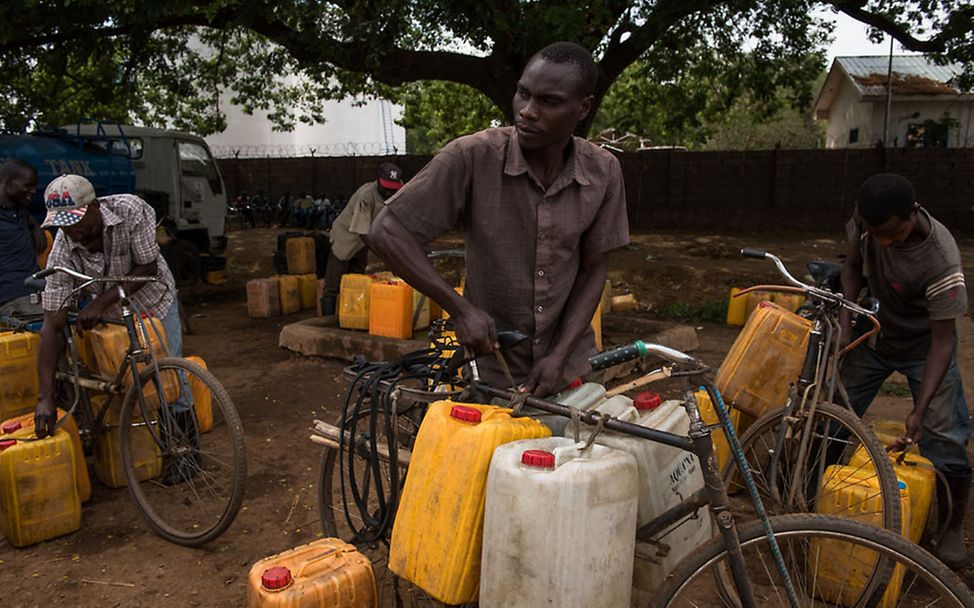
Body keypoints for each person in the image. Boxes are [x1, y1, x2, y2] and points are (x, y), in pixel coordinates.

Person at [368, 42, 628, 399]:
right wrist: (459, 308)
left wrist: (559, 356)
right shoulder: (473, 157)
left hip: (569, 369)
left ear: (583, 108)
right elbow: (386, 231)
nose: (527, 111)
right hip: (492, 370)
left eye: (548, 102)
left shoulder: (604, 172)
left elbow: (593, 268)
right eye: (523, 94)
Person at [839, 173, 971, 569]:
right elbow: (851, 266)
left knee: (944, 434)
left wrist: (920, 409)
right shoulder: (866, 223)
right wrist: (847, 323)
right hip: (878, 335)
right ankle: (813, 496)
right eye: (875, 233)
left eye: (893, 234)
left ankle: (949, 527)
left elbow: (943, 342)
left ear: (913, 214)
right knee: (834, 409)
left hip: (924, 346)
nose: (884, 243)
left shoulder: (941, 260)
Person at [33, 175, 190, 443]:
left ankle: (185, 446)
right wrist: (44, 398)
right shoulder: (62, 249)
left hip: (154, 301)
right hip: (113, 319)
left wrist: (100, 302)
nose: (69, 231)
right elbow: (53, 324)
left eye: (74, 221)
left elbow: (147, 267)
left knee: (168, 375)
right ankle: (140, 447)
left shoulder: (130, 210)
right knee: (126, 384)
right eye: (62, 224)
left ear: (94, 207)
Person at [320, 163, 404, 315]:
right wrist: (386, 255)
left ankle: (352, 316)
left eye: (393, 189)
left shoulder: (396, 193)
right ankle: (328, 321)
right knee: (334, 281)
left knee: (357, 281)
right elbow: (363, 231)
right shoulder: (366, 195)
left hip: (363, 241)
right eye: (386, 188)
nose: (389, 192)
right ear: (378, 181)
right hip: (346, 237)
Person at [0, 159, 43, 314]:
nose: (33, 191)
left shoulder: (19, 211)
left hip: (37, 292)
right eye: (27, 186)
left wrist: (35, 225)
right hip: (14, 298)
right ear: (8, 181)